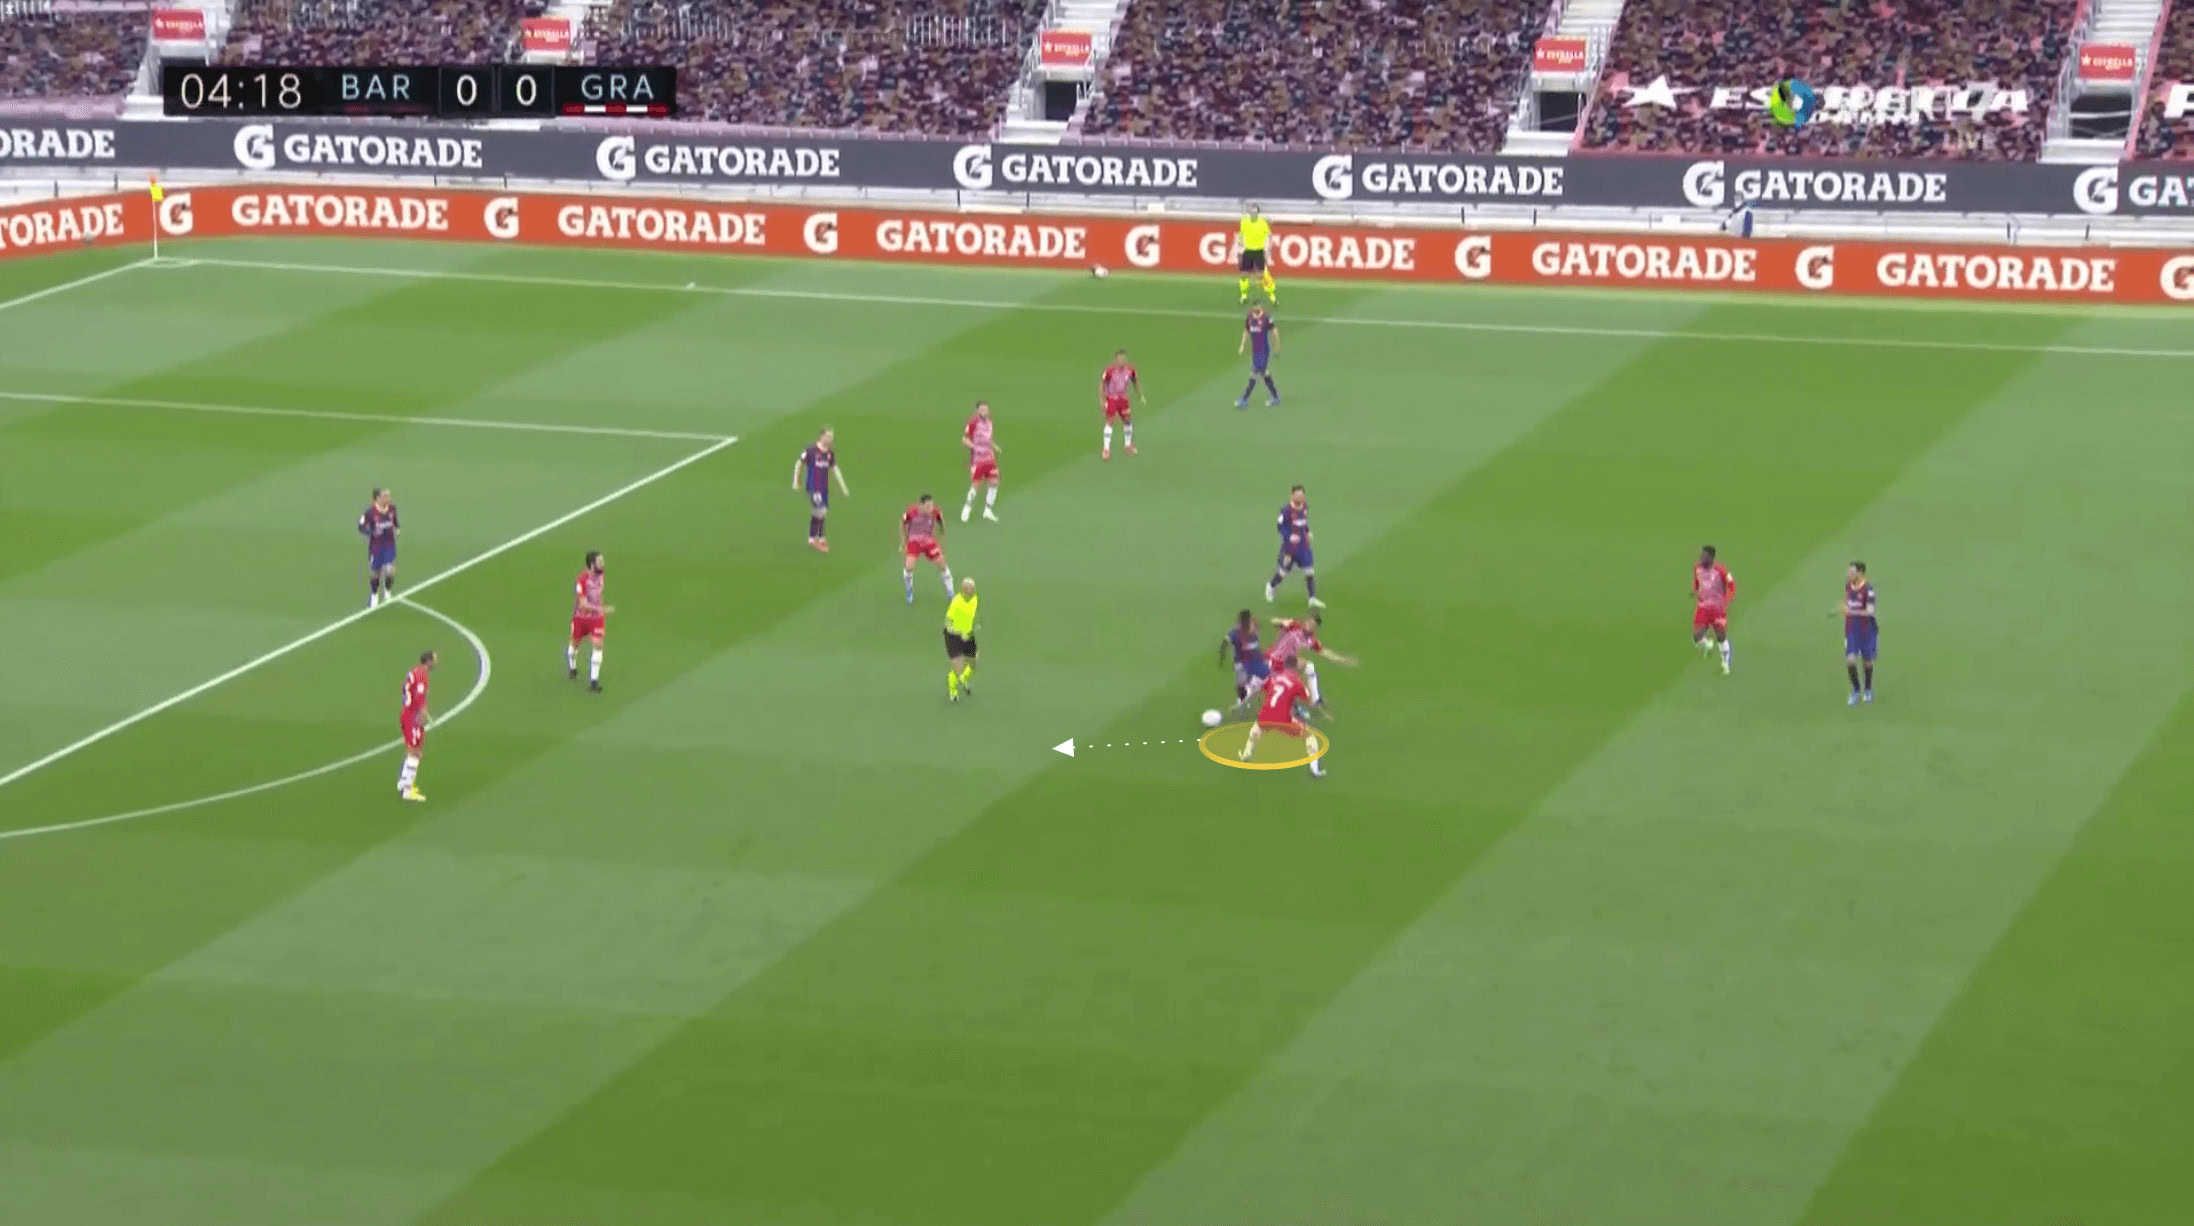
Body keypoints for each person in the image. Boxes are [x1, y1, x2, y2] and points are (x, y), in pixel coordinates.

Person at [1238, 665, 1325, 778]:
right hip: (1283, 719)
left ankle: (1246, 754)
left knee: (1257, 728)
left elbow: (1262, 691)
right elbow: (1308, 699)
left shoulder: (1273, 677)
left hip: (1266, 715)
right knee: (1309, 735)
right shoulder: (1296, 681)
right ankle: (1314, 769)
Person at [1267, 612, 1355, 707]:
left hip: (1287, 664)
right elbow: (1273, 621)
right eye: (1309, 622)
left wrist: (1342, 659)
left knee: (1308, 668)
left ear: (1315, 628)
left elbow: (1324, 652)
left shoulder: (1311, 640)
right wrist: (1282, 621)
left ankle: (1315, 699)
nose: (1309, 625)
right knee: (1280, 686)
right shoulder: (1295, 626)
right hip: (1273, 660)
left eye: (1312, 625)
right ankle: (1294, 705)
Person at [1264, 485, 1324, 608]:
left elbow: (1304, 522)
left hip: (1303, 546)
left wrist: (1307, 531)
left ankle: (1312, 598)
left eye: (1301, 495)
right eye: (1297, 495)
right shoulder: (1286, 511)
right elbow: (1280, 527)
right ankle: (1270, 586)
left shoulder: (1305, 506)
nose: (1300, 497)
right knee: (1283, 573)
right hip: (1290, 548)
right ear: (1292, 496)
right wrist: (1289, 537)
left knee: (1309, 572)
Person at [793, 428, 851, 552]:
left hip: (823, 488)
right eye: (828, 436)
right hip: (813, 486)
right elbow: (799, 464)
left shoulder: (829, 453)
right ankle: (814, 539)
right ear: (822, 436)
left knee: (821, 512)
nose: (830, 439)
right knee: (820, 510)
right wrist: (795, 481)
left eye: (831, 437)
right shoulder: (811, 450)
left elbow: (835, 470)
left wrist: (843, 487)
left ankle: (818, 537)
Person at [568, 550, 612, 692]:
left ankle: (594, 682)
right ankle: (572, 667)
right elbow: (582, 604)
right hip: (581, 618)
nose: (603, 564)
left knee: (598, 644)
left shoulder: (601, 576)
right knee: (574, 646)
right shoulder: (582, 580)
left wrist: (600, 611)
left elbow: (599, 594)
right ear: (592, 564)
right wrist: (601, 608)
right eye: (599, 562)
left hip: (596, 618)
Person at [397, 649, 436, 802]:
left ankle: (403, 783)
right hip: (412, 717)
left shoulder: (415, 672)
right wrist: (423, 714)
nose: (436, 662)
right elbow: (419, 697)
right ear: (429, 661)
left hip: (408, 714)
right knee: (415, 753)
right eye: (434, 660)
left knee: (414, 750)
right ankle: (407, 790)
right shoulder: (422, 676)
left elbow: (406, 690)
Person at [901, 494, 954, 603]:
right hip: (914, 541)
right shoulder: (910, 513)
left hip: (928, 541)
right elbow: (903, 524)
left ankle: (950, 592)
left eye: (932, 505)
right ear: (921, 505)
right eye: (928, 506)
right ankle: (909, 589)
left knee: (942, 563)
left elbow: (941, 521)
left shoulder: (935, 512)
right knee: (909, 567)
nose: (931, 508)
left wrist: (942, 532)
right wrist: (904, 541)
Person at [1692, 544, 1736, 675]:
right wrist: (1695, 590)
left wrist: (1727, 600)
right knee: (1697, 636)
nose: (1701, 558)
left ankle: (1725, 663)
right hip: (1703, 608)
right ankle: (1708, 645)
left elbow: (1731, 585)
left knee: (1721, 636)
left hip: (1717, 609)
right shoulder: (1697, 568)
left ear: (1711, 558)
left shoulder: (1721, 570)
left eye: (1704, 556)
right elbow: (1697, 581)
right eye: (1701, 555)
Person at [358, 487, 399, 608]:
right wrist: (369, 532)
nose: (388, 498)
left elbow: (395, 522)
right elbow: (361, 526)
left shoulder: (392, 509)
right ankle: (374, 595)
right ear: (378, 498)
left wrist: (397, 529)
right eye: (385, 496)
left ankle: (387, 591)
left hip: (389, 545)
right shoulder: (370, 512)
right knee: (376, 572)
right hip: (376, 547)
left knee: (390, 570)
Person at [1221, 608, 1271, 708]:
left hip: (1256, 660)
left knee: (1262, 679)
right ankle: (1242, 700)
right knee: (1241, 684)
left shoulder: (1253, 626)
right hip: (1241, 662)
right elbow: (1225, 642)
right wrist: (1222, 654)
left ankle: (1259, 696)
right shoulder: (1235, 632)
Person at [1843, 561, 1878, 704]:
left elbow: (1870, 611)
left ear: (1860, 573)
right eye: (1849, 571)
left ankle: (1868, 689)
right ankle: (1856, 690)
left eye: (1852, 572)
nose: (1849, 574)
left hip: (1866, 630)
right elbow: (1849, 604)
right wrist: (1846, 609)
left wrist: (1851, 611)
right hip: (1851, 630)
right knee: (1850, 660)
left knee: (1867, 662)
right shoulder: (1848, 586)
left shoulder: (1868, 590)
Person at [961, 400, 1001, 523]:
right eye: (982, 409)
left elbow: (988, 438)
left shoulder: (989, 422)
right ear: (977, 410)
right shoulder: (973, 422)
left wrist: (994, 446)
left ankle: (987, 510)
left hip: (990, 458)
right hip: (978, 460)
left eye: (986, 409)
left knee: (994, 482)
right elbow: (964, 439)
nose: (984, 411)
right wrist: (974, 448)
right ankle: (967, 507)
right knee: (976, 485)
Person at [1099, 348, 1142, 460]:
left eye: (1123, 359)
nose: (1122, 361)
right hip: (1112, 399)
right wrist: (1102, 401)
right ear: (1116, 360)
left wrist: (1140, 394)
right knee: (1110, 421)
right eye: (1120, 359)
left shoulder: (1130, 370)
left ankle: (1128, 445)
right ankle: (1106, 449)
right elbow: (1102, 384)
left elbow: (1135, 380)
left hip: (1123, 399)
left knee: (1127, 420)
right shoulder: (1109, 371)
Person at [1236, 305, 1281, 408]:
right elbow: (1246, 331)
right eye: (1255, 307)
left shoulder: (1266, 318)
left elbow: (1274, 331)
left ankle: (1244, 399)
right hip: (1255, 351)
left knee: (1255, 373)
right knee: (1264, 373)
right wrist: (1242, 345)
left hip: (1264, 351)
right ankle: (1275, 396)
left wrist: (1277, 344)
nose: (1256, 309)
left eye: (1258, 307)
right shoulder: (1249, 318)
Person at [944, 577, 979, 701]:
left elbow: (971, 615)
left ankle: (963, 679)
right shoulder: (956, 602)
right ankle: (953, 691)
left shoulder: (975, 599)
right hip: (953, 637)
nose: (974, 590)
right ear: (964, 590)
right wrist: (959, 633)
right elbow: (947, 624)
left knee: (973, 664)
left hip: (968, 635)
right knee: (958, 667)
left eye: (974, 588)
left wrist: (971, 628)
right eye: (971, 588)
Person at [1237, 203, 1276, 304]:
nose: (1253, 213)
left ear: (1258, 213)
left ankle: (1271, 295)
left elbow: (1269, 235)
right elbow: (1241, 233)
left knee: (1261, 275)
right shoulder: (1244, 222)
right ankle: (1244, 295)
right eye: (1251, 211)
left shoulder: (1262, 223)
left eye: (1255, 211)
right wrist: (1240, 241)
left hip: (1259, 251)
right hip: (1248, 250)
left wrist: (1268, 249)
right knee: (1244, 275)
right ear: (1249, 212)